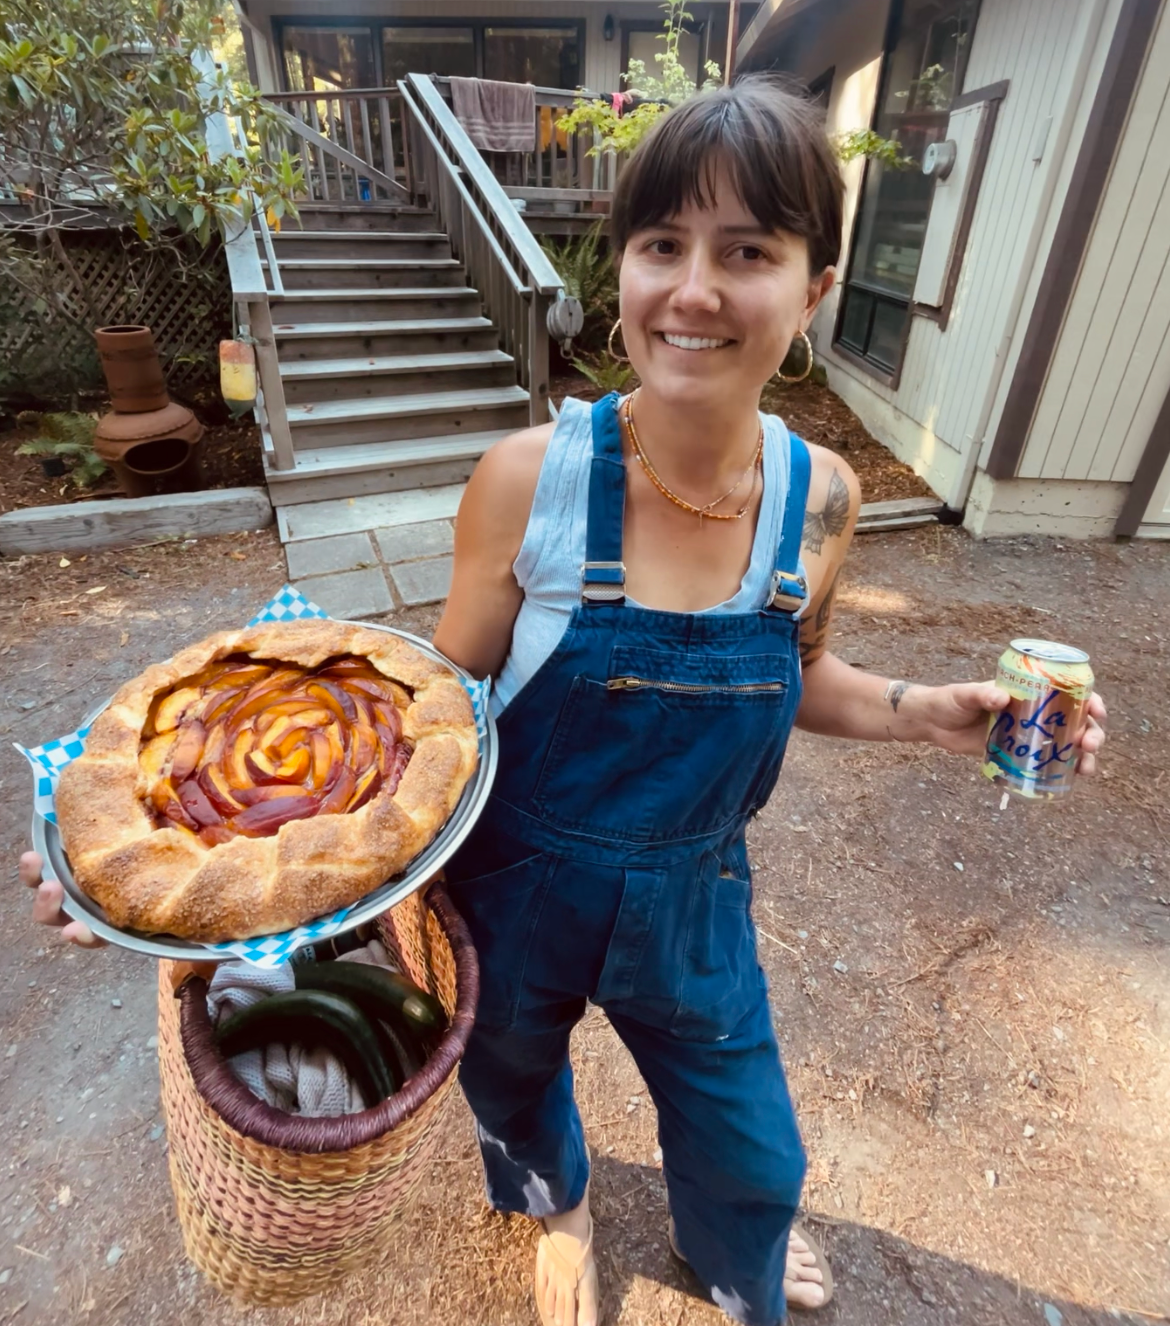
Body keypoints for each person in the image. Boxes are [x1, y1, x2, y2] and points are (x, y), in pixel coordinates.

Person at [22, 78, 1106, 1326]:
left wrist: (929, 709)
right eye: (661, 245)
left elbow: (800, 673)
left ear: (811, 294)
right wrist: (167, 863)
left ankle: (736, 1240)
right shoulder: (528, 481)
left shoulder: (824, 500)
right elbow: (424, 721)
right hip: (510, 889)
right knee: (514, 1086)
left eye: (746, 250)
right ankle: (562, 1213)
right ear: (626, 269)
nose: (692, 290)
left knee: (749, 1137)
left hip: (697, 899)